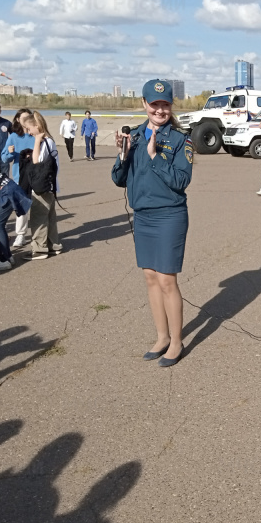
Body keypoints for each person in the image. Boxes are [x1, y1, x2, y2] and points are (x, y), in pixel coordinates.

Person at [112, 79, 193, 367]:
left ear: (171, 106)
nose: (160, 110)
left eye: (165, 104)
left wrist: (155, 156)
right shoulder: (133, 136)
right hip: (143, 216)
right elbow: (118, 179)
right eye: (154, 104)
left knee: (167, 279)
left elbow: (182, 180)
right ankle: (161, 337)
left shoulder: (180, 140)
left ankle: (177, 340)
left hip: (169, 215)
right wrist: (122, 155)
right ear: (144, 105)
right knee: (149, 277)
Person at [20, 111, 62, 260]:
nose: (28, 132)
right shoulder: (50, 141)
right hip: (50, 186)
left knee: (39, 218)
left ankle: (39, 249)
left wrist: (37, 141)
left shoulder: (45, 142)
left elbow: (36, 161)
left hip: (42, 187)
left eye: (29, 128)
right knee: (50, 217)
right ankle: (53, 245)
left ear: (37, 126)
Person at [1, 108, 35, 249]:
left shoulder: (36, 135)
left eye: (29, 118)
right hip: (19, 178)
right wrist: (10, 153)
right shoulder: (14, 137)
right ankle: (20, 235)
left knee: (38, 208)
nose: (27, 121)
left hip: (36, 176)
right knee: (22, 208)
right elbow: (4, 158)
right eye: (24, 118)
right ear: (17, 120)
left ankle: (38, 235)